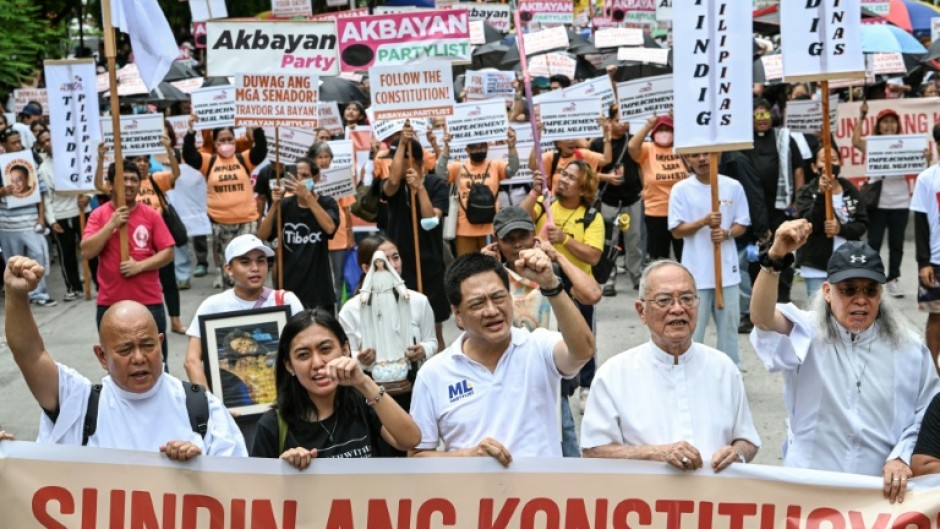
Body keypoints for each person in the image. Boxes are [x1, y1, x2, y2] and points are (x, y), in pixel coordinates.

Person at [750, 221, 939, 503]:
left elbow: (925, 415)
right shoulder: (806, 331)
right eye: (848, 290)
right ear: (827, 291)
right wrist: (775, 258)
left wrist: (902, 456)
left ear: (881, 293)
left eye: (870, 290)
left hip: (877, 498)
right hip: (810, 490)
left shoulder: (910, 348)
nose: (860, 300)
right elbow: (763, 318)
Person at [3, 256, 246, 458]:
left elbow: (237, 488)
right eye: (125, 349)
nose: (139, 358)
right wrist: (16, 295)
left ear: (161, 344)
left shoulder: (201, 408)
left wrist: (201, 470)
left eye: (148, 345)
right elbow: (30, 355)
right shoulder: (77, 404)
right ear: (101, 356)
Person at [409, 252, 596, 463]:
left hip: (542, 494)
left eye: (498, 297)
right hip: (471, 495)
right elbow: (417, 455)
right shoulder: (434, 374)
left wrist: (551, 285)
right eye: (477, 304)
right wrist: (468, 456)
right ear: (458, 315)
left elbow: (584, 351)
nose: (492, 311)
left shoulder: (538, 347)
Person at [581, 260, 760, 471]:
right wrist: (657, 454)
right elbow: (593, 451)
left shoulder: (723, 368)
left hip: (712, 499)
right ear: (641, 311)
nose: (677, 309)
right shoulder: (613, 374)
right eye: (664, 300)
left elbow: (747, 440)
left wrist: (736, 454)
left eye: (687, 299)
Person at [481, 206, 601, 457]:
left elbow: (591, 294)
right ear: (497, 243)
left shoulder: (550, 272)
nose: (517, 245)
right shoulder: (489, 274)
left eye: (522, 236)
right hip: (504, 379)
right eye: (508, 240)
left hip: (551, 378)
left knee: (566, 450)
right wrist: (483, 268)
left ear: (535, 236)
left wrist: (558, 257)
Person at [251, 309, 420, 467]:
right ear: (289, 366)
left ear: (345, 350)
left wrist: (364, 382)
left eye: (325, 349)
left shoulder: (364, 402)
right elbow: (257, 490)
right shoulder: (272, 426)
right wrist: (282, 470)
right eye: (303, 355)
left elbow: (410, 440)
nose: (317, 363)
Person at [522, 163, 603, 407]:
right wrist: (534, 193)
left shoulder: (591, 216)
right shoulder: (544, 204)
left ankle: (586, 385)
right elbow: (521, 219)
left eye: (571, 178)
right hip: (540, 282)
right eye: (563, 174)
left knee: (582, 334)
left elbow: (593, 256)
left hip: (576, 286)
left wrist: (564, 240)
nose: (563, 180)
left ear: (584, 187)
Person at [82, 161, 175, 363]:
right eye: (123, 179)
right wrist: (111, 225)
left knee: (157, 364)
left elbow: (168, 252)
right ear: (110, 185)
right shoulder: (99, 215)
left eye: (134, 179)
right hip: (110, 303)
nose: (130, 184)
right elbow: (87, 251)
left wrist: (140, 266)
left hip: (149, 302)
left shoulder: (150, 214)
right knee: (117, 365)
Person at [185, 234, 305, 389]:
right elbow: (191, 361)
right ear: (228, 269)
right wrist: (211, 404)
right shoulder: (212, 306)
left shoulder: (287, 301)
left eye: (261, 261)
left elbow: (305, 348)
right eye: (245, 262)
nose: (255, 268)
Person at [338, 235, 437, 416]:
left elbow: (432, 341)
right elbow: (345, 355)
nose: (393, 264)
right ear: (366, 268)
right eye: (384, 259)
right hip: (369, 393)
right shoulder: (351, 310)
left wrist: (423, 349)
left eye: (396, 257)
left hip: (413, 389)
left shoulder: (418, 301)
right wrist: (361, 359)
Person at [668, 152, 750, 365]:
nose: (702, 159)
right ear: (688, 159)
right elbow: (676, 230)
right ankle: (689, 372)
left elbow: (742, 223)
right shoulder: (681, 190)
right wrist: (703, 222)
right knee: (692, 330)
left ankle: (731, 373)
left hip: (727, 274)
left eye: (707, 154)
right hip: (695, 275)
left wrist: (727, 233)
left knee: (729, 331)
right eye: (696, 155)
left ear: (718, 156)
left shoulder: (733, 186)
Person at [383, 127, 450, 351]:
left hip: (429, 265)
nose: (395, 165)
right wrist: (402, 142)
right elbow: (391, 183)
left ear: (416, 163)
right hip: (400, 266)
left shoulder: (436, 185)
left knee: (434, 329)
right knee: (401, 327)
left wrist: (419, 188)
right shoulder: (394, 185)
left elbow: (430, 221)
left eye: (400, 160)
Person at [182, 117, 268, 289]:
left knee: (248, 262)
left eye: (230, 139)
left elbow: (260, 151)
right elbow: (190, 156)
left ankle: (252, 298)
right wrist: (190, 132)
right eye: (222, 140)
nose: (226, 143)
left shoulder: (244, 159)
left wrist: (257, 129)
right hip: (220, 223)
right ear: (215, 143)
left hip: (246, 222)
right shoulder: (209, 161)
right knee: (228, 266)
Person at [740, 98, 804, 303]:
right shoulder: (742, 140)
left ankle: (783, 299)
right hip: (751, 210)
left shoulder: (784, 138)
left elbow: (798, 169)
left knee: (783, 251)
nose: (761, 119)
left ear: (771, 116)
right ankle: (755, 303)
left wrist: (798, 201)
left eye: (765, 113)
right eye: (757, 114)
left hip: (780, 207)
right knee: (754, 256)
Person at [257, 157, 338, 313]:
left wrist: (307, 196)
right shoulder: (285, 205)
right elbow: (262, 235)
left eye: (305, 176)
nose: (300, 181)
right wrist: (274, 205)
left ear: (316, 177)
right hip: (290, 291)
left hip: (319, 293)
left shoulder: (327, 203)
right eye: (296, 176)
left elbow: (329, 228)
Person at [850, 102, 913, 298]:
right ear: (879, 126)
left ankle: (893, 279)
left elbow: (917, 162)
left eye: (893, 122)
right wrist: (861, 116)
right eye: (885, 122)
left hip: (900, 202)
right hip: (877, 203)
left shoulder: (905, 144)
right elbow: (855, 141)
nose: (889, 126)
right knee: (874, 242)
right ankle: (873, 278)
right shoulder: (872, 143)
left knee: (897, 244)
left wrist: (925, 158)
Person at [795, 146, 867, 299]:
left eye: (833, 159)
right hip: (816, 264)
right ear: (814, 167)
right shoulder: (806, 192)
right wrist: (821, 195)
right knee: (818, 315)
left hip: (848, 264)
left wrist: (840, 229)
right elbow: (808, 223)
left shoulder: (850, 190)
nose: (829, 164)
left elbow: (861, 224)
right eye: (823, 160)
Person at [436, 128, 519, 256]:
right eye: (474, 147)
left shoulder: (495, 165)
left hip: (489, 228)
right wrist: (446, 147)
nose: (479, 149)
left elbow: (512, 169)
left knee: (491, 267)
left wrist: (511, 146)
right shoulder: (458, 167)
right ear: (467, 149)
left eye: (482, 146)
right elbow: (440, 173)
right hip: (464, 230)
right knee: (468, 269)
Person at [591, 104, 643, 295]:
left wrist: (644, 188)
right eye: (618, 120)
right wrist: (606, 179)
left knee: (634, 241)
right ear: (610, 121)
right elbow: (589, 172)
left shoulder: (633, 141)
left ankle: (637, 276)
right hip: (609, 201)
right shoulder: (597, 144)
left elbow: (640, 166)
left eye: (626, 121)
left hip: (632, 199)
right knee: (610, 243)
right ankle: (609, 278)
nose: (623, 125)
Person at [0, 127, 55, 306]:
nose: (18, 146)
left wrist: (41, 218)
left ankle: (39, 294)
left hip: (30, 221)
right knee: (13, 262)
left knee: (37, 255)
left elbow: (40, 193)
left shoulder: (30, 163)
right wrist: (2, 191)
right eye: (13, 143)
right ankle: (18, 297)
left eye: (19, 142)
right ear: (3, 145)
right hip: (7, 225)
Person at [37, 128, 89, 302]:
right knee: (67, 255)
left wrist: (88, 197)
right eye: (43, 141)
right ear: (41, 146)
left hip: (81, 211)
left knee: (91, 250)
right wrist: (51, 221)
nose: (47, 143)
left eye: (49, 139)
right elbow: (47, 198)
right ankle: (74, 287)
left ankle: (99, 283)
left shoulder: (75, 158)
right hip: (61, 215)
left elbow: (89, 178)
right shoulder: (44, 168)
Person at [628, 113, 687, 261]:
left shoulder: (682, 148)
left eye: (668, 129)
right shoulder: (648, 149)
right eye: (660, 129)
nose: (664, 132)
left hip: (683, 212)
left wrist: (680, 121)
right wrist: (648, 124)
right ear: (654, 133)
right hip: (656, 212)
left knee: (685, 256)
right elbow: (632, 146)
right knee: (659, 258)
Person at [309, 142, 356, 304]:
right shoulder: (307, 179)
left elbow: (347, 209)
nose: (323, 160)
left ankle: (340, 314)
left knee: (339, 279)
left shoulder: (340, 176)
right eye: (320, 157)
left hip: (339, 235)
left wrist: (350, 235)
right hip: (315, 235)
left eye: (326, 156)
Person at [913, 124, 940, 369]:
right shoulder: (927, 178)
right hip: (936, 260)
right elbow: (920, 222)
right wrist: (923, 262)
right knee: (936, 315)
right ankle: (932, 369)